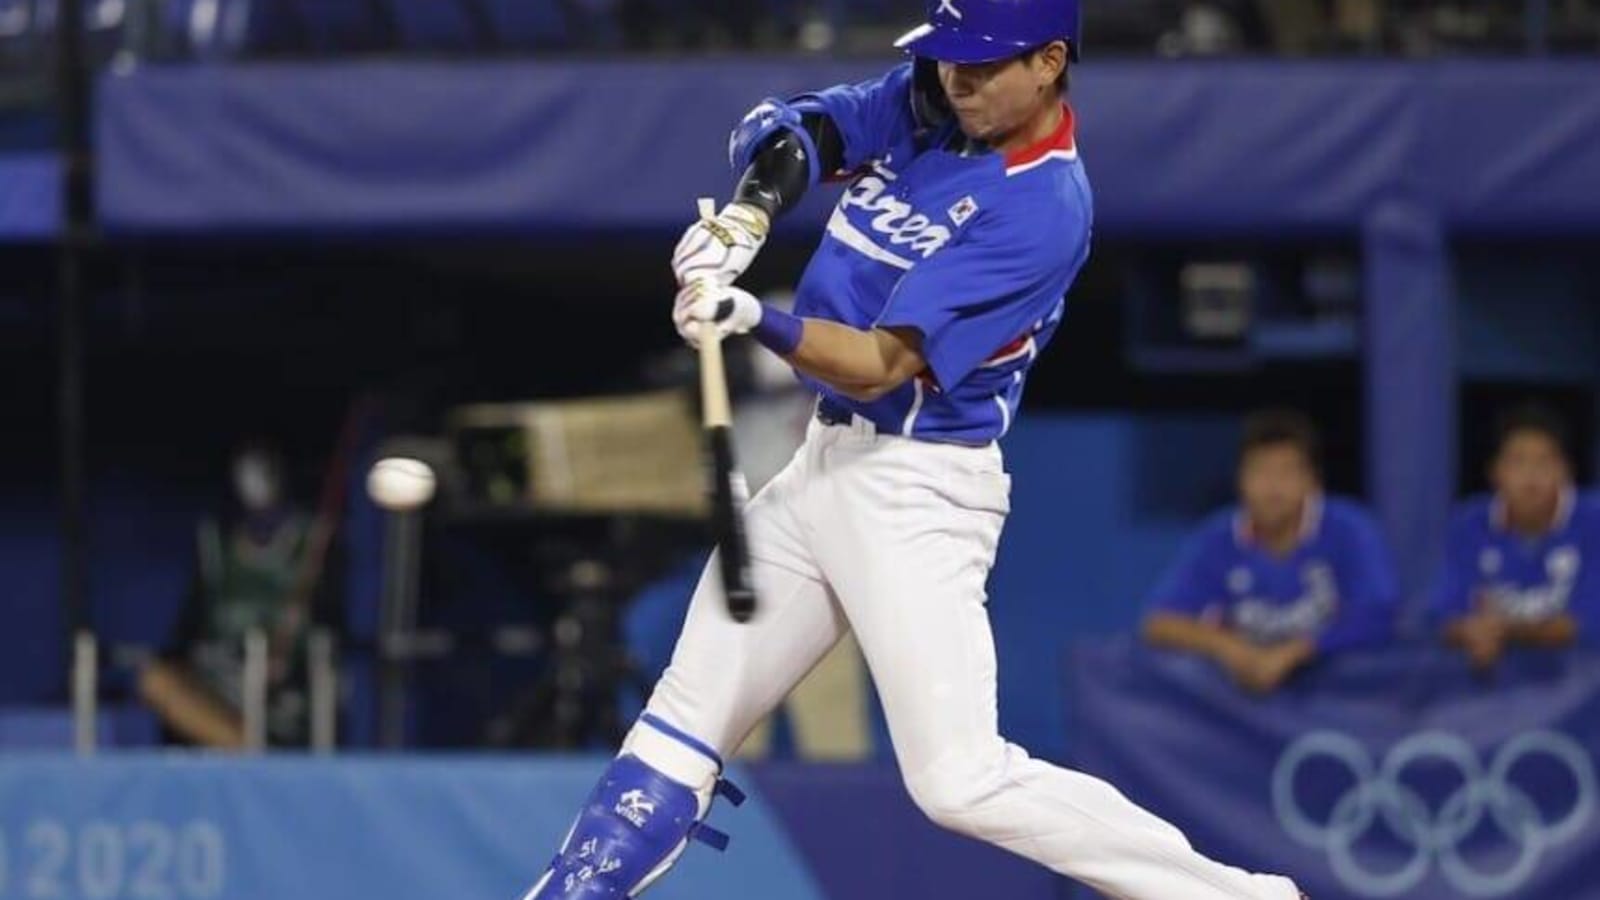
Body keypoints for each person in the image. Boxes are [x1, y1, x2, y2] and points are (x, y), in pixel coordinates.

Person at [520, 2, 1306, 898]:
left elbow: (880, 367)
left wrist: (750, 316)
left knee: (960, 781)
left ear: (1050, 62)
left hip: (917, 490)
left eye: (980, 64)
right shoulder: (939, 101)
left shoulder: (1044, 207)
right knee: (678, 725)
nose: (954, 79)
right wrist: (745, 219)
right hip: (820, 464)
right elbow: (807, 129)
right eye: (945, 61)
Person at [1142, 410, 1399, 693]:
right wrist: (1231, 650)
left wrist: (1293, 654)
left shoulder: (1351, 529)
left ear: (1312, 482)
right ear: (1240, 480)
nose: (1273, 487)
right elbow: (1160, 622)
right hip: (1243, 708)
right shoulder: (1217, 538)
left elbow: (1379, 613)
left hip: (1339, 703)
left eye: (1287, 472)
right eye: (1261, 471)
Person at [139, 441, 315, 748]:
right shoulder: (212, 549)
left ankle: (262, 757)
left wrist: (290, 660)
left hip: (283, 700)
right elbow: (182, 639)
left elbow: (333, 636)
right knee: (156, 680)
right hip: (219, 697)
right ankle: (248, 755)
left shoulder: (314, 549)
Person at [1432, 405, 1600, 669]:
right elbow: (1444, 615)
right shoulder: (1468, 524)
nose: (1531, 476)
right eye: (1517, 461)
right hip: (1490, 698)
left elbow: (1588, 622)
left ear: (1565, 471)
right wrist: (1468, 631)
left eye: (1544, 462)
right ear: (1495, 472)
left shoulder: (1593, 523)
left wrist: (1506, 631)